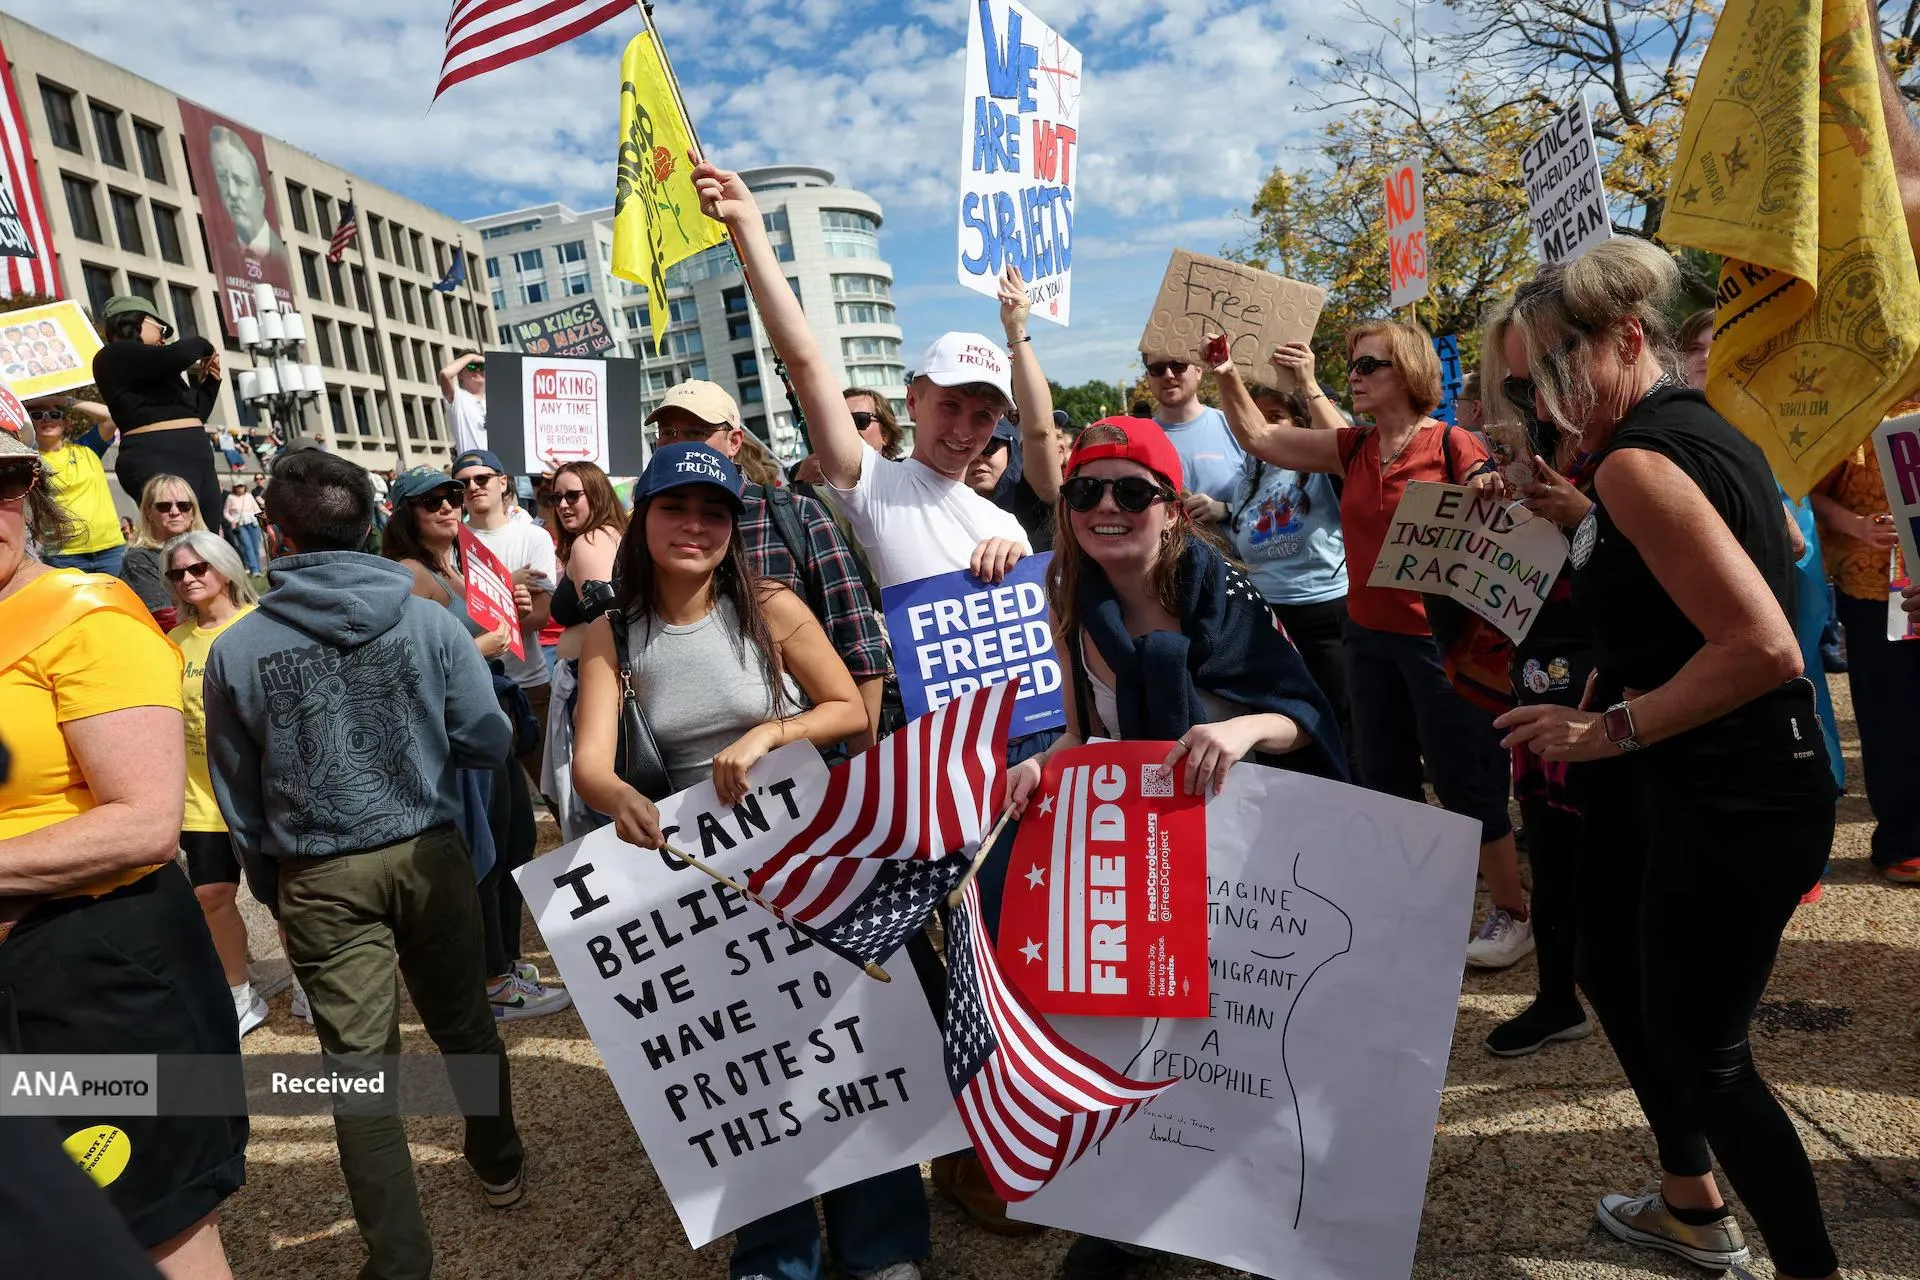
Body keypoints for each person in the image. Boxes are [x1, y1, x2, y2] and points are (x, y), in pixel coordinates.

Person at [1494, 238, 1839, 1280]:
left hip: (1734, 788)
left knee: (1708, 1055)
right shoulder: (1683, 434)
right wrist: (1614, 666)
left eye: (1554, 370)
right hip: (1698, 779)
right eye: (1523, 385)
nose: (1541, 401)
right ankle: (1689, 1200)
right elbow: (1747, 554)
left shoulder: (1637, 461)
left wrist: (1606, 730)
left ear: (1628, 337)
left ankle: (1808, 1267)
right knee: (1609, 962)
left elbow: (1765, 647)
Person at [1004, 418, 1343, 1280]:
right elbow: (1085, 733)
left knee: (1250, 1044)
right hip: (1146, 858)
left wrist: (1242, 732)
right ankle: (1137, 1217)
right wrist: (1043, 766)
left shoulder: (1225, 590)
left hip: (1248, 860)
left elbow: (1308, 719)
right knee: (1146, 1038)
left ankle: (1275, 1204)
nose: (1107, 507)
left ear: (1172, 507)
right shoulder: (1070, 597)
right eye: (1086, 490)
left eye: (1132, 490)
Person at [202, 448, 527, 1279]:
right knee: (463, 1022)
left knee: (359, 1076)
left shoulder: (237, 651)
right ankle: (499, 1161)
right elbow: (489, 740)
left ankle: (400, 1258)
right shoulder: (431, 621)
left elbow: (238, 796)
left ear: (275, 535)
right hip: (428, 848)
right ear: (371, 523)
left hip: (319, 873)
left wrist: (274, 885)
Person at [569, 442, 883, 1280]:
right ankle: (778, 1254)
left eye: (714, 513)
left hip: (803, 856)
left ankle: (880, 1244)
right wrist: (617, 797)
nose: (695, 526)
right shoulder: (610, 632)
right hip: (693, 879)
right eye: (676, 508)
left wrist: (771, 733)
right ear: (644, 520)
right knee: (742, 1069)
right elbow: (590, 763)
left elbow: (848, 709)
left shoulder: (771, 604)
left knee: (848, 1045)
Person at [1211, 322, 1533, 969]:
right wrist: (1224, 374)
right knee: (1384, 780)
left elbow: (1493, 493)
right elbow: (1262, 438)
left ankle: (1513, 911)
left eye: (1368, 366)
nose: (1353, 377)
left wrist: (1487, 487)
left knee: (1464, 780)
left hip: (1437, 646)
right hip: (1367, 641)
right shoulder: (1354, 447)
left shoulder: (1450, 441)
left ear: (1408, 371)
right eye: (1353, 366)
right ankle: (1410, 907)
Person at [0, 430, 246, 1278]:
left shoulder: (86, 614)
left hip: (88, 977)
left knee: (154, 1234)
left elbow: (143, 822)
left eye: (4, 479)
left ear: (33, 493)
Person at [380, 465, 568, 1022]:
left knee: (513, 843)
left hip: (488, 720)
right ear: (406, 514)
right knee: (484, 854)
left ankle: (505, 962)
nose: (447, 506)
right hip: (456, 733)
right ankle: (490, 979)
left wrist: (511, 604)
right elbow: (406, 663)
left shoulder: (457, 565)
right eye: (431, 500)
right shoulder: (409, 574)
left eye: (452, 495)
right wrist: (481, 647)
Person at [1473, 308, 1595, 1057]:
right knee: (1549, 839)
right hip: (1539, 664)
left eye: (1541, 378)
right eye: (1518, 386)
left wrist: (1586, 517)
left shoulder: (1638, 444)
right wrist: (1498, 499)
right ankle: (1557, 997)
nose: (1534, 400)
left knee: (1618, 844)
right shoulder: (1537, 446)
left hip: (1617, 679)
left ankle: (1656, 1009)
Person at [647, 382, 891, 751]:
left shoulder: (794, 515)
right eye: (668, 433)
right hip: (687, 778)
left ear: (735, 442)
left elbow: (858, 644)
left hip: (806, 763)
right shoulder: (647, 532)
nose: (679, 444)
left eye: (696, 432)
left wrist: (861, 769)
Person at [1213, 353, 1353, 763]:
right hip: (1272, 624)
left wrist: (1308, 383)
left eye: (1276, 417)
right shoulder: (1247, 479)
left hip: (1327, 619)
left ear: (1299, 422)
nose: (1264, 427)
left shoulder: (1321, 464)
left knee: (1346, 732)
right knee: (1289, 731)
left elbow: (1351, 446)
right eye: (1256, 417)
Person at [162, 528, 267, 1038]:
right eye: (176, 573)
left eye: (197, 568)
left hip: (263, 794)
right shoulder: (172, 644)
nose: (187, 579)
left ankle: (309, 986)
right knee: (212, 896)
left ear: (224, 569)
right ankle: (240, 995)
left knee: (285, 900)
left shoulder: (262, 624)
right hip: (201, 796)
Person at [1811, 432, 1919, 883]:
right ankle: (1905, 840)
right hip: (1876, 587)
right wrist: (1859, 525)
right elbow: (1808, 490)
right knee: (1890, 716)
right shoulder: (1857, 408)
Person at [541, 460, 628, 840]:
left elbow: (609, 622)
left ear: (596, 493)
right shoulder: (610, 535)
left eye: (573, 495)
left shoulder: (590, 543)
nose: (562, 505)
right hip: (596, 680)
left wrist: (592, 699)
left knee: (599, 808)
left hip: (595, 681)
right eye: (556, 497)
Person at [91, 296, 226, 532]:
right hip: (156, 453)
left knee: (209, 537)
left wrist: (211, 383)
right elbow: (179, 354)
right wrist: (205, 345)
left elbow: (195, 416)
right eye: (161, 329)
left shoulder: (160, 369)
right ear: (135, 322)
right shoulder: (113, 355)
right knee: (177, 535)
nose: (163, 339)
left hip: (196, 454)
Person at [1142, 349, 1242, 525]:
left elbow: (1270, 498)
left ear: (1198, 370)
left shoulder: (1235, 427)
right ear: (1148, 377)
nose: (1168, 375)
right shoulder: (1139, 440)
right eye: (1157, 369)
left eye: (1178, 365)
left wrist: (1227, 509)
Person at [31, 397, 125, 574]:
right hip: (63, 556)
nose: (46, 419)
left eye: (54, 414)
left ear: (66, 423)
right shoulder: (31, 460)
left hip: (110, 551)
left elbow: (111, 416)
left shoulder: (88, 448)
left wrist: (63, 400)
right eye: (37, 415)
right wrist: (24, 403)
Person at [120, 475, 209, 630]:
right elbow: (164, 620)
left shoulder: (210, 549)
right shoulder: (138, 559)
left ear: (193, 511)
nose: (175, 512)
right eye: (164, 506)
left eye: (183, 505)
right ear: (148, 512)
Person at [207, 126, 284, 260]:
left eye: (240, 182)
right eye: (223, 179)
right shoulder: (225, 255)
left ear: (261, 196)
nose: (232, 193)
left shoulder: (282, 254)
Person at [438, 351, 488, 454]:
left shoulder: (494, 400)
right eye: (472, 366)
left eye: (481, 366)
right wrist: (471, 357)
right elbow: (445, 374)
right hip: (471, 462)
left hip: (496, 462)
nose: (478, 370)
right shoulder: (458, 397)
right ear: (461, 374)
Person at [222, 483, 263, 575]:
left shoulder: (249, 496)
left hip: (253, 523)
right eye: (238, 487)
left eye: (242, 486)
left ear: (245, 487)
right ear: (235, 488)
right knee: (247, 546)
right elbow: (226, 512)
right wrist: (232, 520)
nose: (240, 488)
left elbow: (256, 509)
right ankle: (254, 570)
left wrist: (261, 519)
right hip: (240, 524)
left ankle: (258, 568)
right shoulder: (231, 497)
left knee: (256, 547)